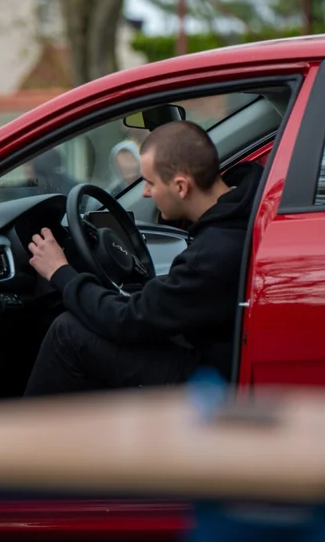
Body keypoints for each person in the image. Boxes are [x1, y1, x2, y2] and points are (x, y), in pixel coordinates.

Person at [22, 120, 264, 396]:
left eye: (150, 182)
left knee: (67, 332)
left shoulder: (213, 253)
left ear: (181, 187)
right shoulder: (245, 206)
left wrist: (60, 272)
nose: (145, 192)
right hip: (216, 353)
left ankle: (23, 439)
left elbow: (128, 319)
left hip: (213, 379)